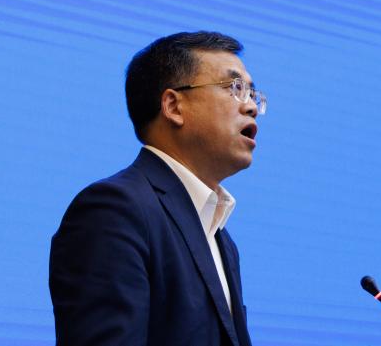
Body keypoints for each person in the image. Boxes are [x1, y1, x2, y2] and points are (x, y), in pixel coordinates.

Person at [49, 31, 265, 346]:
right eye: (234, 88)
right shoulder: (115, 211)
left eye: (252, 94)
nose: (251, 107)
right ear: (173, 106)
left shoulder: (221, 239)